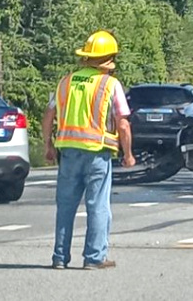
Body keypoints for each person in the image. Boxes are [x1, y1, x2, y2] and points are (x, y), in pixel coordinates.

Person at [42, 30, 136, 270]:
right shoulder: (110, 84)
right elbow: (123, 123)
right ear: (110, 58)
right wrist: (128, 154)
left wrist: (48, 145)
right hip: (97, 153)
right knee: (98, 205)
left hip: (68, 152)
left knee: (65, 206)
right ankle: (94, 258)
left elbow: (48, 114)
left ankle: (60, 258)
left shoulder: (65, 82)